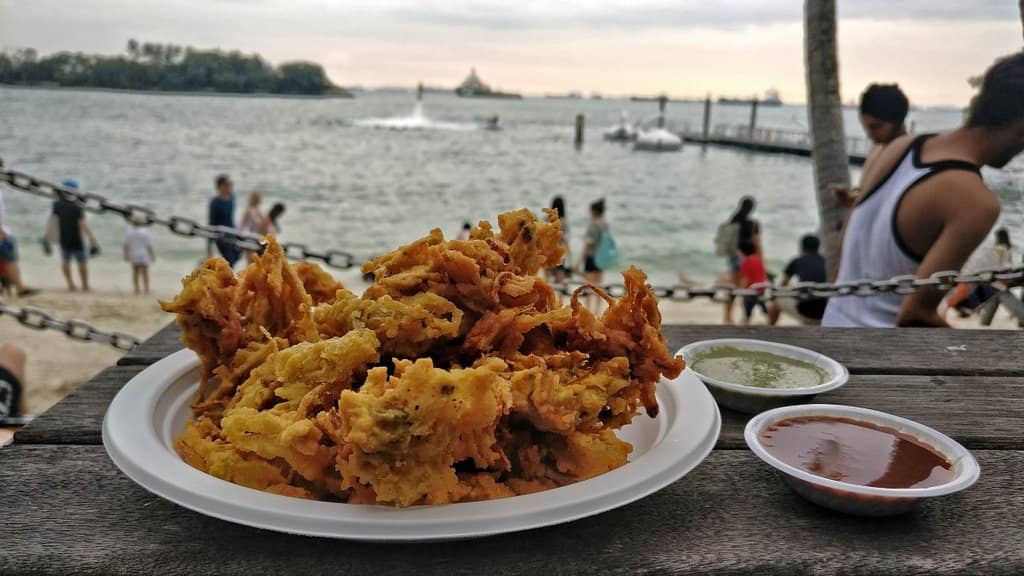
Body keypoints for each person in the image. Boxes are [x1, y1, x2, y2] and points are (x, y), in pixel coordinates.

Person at [823, 52, 1024, 328]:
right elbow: (915, 314)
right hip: (882, 356)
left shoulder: (899, 148)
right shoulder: (976, 203)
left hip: (833, 325)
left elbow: (848, 239)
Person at [837, 84, 912, 208]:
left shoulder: (909, 156)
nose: (869, 134)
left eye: (876, 127)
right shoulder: (878, 149)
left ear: (897, 120)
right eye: (866, 127)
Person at [769, 235, 828, 325]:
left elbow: (782, 286)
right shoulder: (826, 261)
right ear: (818, 247)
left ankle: (770, 328)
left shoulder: (797, 261)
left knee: (776, 301)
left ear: (801, 247)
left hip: (805, 311)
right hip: (825, 312)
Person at [719, 196, 760, 324]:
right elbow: (757, 243)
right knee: (746, 289)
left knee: (732, 289)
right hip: (747, 259)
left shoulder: (733, 220)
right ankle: (745, 317)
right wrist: (759, 260)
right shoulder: (753, 224)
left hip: (733, 258)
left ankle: (727, 317)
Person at [53, 179, 99, 292]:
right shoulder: (77, 206)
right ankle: (85, 285)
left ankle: (70, 285)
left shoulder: (56, 204)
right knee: (82, 262)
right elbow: (81, 224)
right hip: (76, 239)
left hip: (64, 238)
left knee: (65, 261)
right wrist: (92, 238)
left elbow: (55, 220)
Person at [0, 187, 37, 297]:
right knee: (11, 262)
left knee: (7, 263)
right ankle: (19, 288)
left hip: (3, 231)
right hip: (2, 233)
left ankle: (13, 288)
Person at [580, 198, 609, 312]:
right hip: (602, 257)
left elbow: (588, 244)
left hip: (591, 258)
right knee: (599, 286)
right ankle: (597, 310)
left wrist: (580, 260)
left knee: (589, 285)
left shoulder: (592, 225)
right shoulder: (605, 224)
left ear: (594, 211)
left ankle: (588, 309)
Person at [208, 174, 240, 267]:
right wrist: (209, 249)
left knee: (236, 257)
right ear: (220, 186)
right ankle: (225, 278)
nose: (229, 187)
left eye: (230, 185)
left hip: (233, 233)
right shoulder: (215, 202)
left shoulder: (232, 198)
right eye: (226, 184)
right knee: (230, 260)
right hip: (221, 237)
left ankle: (223, 276)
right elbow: (211, 223)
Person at [736, 239, 768, 325]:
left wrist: (741, 293)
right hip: (761, 288)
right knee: (763, 306)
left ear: (742, 251)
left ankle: (746, 321)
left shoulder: (746, 262)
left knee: (747, 308)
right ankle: (769, 320)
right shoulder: (759, 259)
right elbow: (764, 273)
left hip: (750, 290)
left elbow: (745, 279)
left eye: (738, 251)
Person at [123, 217, 155, 295]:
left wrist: (126, 255)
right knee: (145, 273)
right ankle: (146, 289)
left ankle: (136, 289)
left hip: (134, 254)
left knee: (135, 273)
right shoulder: (144, 232)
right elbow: (149, 245)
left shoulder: (129, 232)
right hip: (143, 254)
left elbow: (126, 245)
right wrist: (152, 255)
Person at [545, 196, 571, 284]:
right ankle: (559, 297)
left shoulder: (547, 219)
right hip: (560, 252)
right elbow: (566, 239)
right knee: (560, 277)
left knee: (547, 276)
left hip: (548, 251)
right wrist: (570, 256)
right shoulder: (564, 222)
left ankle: (547, 295)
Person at [240, 191, 264, 263]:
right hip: (250, 238)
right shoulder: (249, 210)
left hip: (256, 238)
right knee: (250, 260)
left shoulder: (258, 211)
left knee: (255, 261)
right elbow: (242, 224)